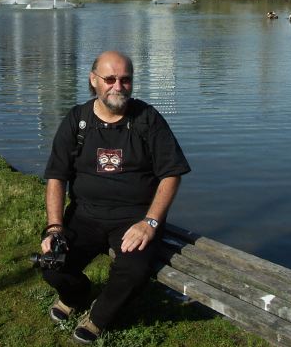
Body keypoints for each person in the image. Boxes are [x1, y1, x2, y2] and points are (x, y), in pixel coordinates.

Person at [40, 50, 191, 344]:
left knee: (133, 271)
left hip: (133, 218)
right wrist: (55, 227)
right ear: (93, 80)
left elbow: (172, 174)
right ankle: (77, 294)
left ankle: (99, 316)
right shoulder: (77, 121)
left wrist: (150, 222)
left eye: (126, 80)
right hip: (85, 215)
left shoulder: (148, 120)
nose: (118, 86)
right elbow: (56, 177)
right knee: (51, 262)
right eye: (110, 79)